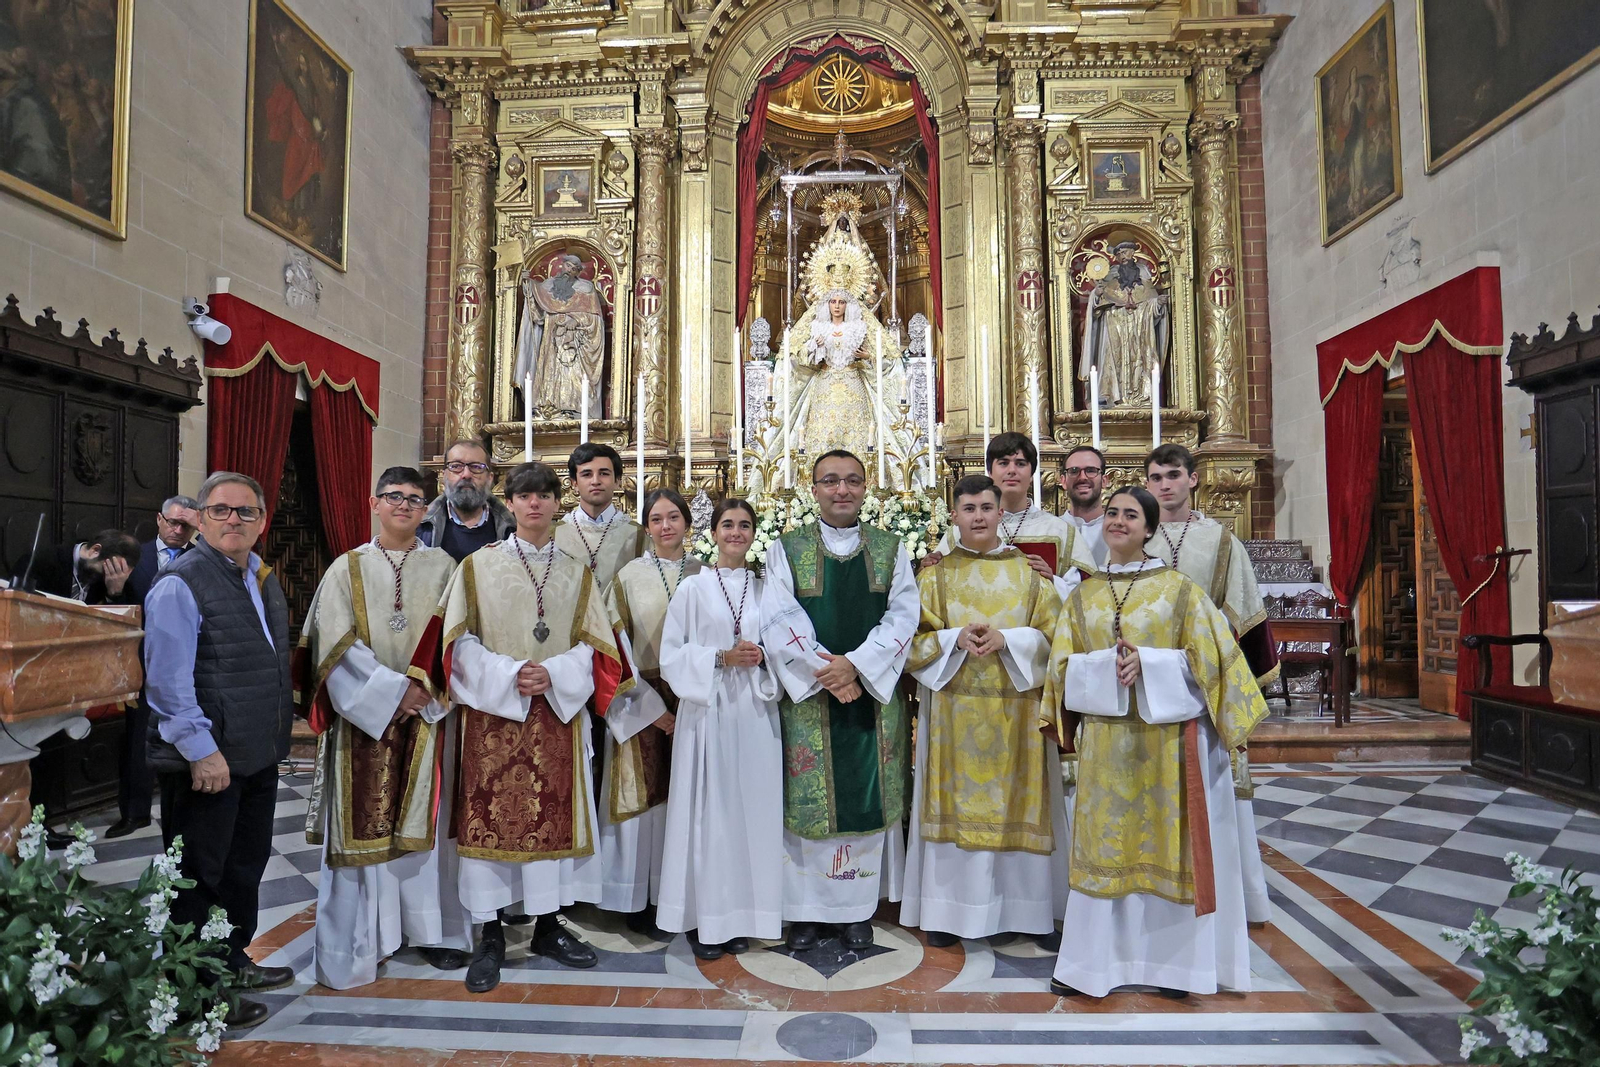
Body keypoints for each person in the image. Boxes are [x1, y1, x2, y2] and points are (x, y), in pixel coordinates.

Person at [1042, 486, 1268, 998]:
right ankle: (1089, 967)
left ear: (1149, 529)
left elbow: (1213, 664)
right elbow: (1060, 672)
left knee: (1171, 852)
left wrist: (1151, 663)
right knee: (1103, 853)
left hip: (1170, 746)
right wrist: (1104, 668)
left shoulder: (1180, 591)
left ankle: (1175, 969)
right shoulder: (1083, 596)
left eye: (1131, 515)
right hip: (1107, 750)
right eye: (1113, 513)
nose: (1118, 521)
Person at [439, 462, 627, 992]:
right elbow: (457, 642)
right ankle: (491, 936)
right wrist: (507, 674)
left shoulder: (576, 571)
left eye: (545, 495)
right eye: (525, 497)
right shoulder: (477, 567)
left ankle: (547, 926)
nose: (536, 505)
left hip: (556, 716)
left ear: (555, 503)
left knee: (552, 819)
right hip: (494, 716)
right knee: (490, 820)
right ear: (511, 504)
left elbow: (598, 646)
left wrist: (557, 673)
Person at [299, 467, 472, 989]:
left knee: (430, 831)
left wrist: (422, 694)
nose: (404, 505)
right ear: (374, 503)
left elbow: (458, 639)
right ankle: (360, 943)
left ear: (427, 509)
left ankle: (432, 933)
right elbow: (334, 643)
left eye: (415, 499)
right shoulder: (345, 569)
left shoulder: (446, 568)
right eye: (394, 496)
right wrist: (393, 693)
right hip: (362, 722)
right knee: (362, 833)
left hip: (427, 720)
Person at [143, 472, 295, 1030]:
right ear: (201, 519)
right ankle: (194, 992)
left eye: (246, 512)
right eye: (222, 510)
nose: (235, 520)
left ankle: (230, 961)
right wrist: (199, 749)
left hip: (253, 752)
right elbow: (166, 680)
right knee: (197, 877)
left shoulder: (257, 574)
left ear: (261, 520)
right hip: (208, 759)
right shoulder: (181, 581)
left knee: (243, 869)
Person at [761, 450, 917, 952]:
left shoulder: (892, 548)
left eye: (852, 481)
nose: (842, 490)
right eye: (831, 481)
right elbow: (778, 617)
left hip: (869, 697)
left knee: (864, 803)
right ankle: (805, 912)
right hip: (811, 698)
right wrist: (828, 673)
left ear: (866, 487)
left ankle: (855, 912)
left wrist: (857, 666)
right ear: (814, 488)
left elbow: (902, 616)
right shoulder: (787, 548)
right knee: (808, 807)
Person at [903, 475, 1066, 948]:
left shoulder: (1029, 575)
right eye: (968, 508)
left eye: (986, 507)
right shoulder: (933, 576)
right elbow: (909, 643)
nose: (978, 516)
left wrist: (1009, 639)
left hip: (1016, 716)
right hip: (952, 713)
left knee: (1019, 806)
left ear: (1001, 513)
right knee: (951, 808)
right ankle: (948, 913)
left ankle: (1022, 912)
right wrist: (953, 639)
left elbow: (1058, 639)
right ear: (953, 516)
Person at [1145, 443, 1278, 925]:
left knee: (1213, 788)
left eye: (1173, 475)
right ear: (1147, 484)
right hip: (1147, 676)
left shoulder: (1222, 541)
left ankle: (1228, 895)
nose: (1165, 485)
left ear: (1193, 479)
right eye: (1156, 477)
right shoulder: (1133, 534)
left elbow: (1244, 613)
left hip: (1204, 682)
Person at [656, 498, 784, 960]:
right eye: (727, 525)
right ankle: (706, 917)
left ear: (754, 534)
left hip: (755, 711)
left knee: (753, 812)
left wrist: (765, 656)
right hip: (707, 711)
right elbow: (671, 657)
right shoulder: (693, 589)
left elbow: (789, 646)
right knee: (709, 816)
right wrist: (719, 658)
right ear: (712, 533)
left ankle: (749, 916)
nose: (736, 532)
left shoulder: (769, 588)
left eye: (744, 525)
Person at [600, 488, 703, 935]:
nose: (666, 526)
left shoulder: (706, 572)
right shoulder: (627, 576)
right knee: (643, 800)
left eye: (674, 517)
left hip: (696, 695)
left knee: (687, 798)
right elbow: (613, 646)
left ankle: (681, 894)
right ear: (647, 526)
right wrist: (653, 708)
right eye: (657, 519)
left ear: (687, 523)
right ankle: (638, 896)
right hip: (642, 694)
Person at [107, 496, 201, 840]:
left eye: (187, 526)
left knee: (190, 733)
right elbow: (110, 614)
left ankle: (189, 808)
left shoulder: (202, 559)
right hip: (141, 661)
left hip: (190, 663)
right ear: (159, 519)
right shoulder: (134, 557)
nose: (178, 530)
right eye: (173, 522)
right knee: (136, 740)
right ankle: (134, 813)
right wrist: (115, 592)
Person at [925, 433, 1097, 596]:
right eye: (1003, 463)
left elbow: (1089, 593)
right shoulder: (961, 530)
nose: (1012, 470)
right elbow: (938, 586)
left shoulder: (1059, 531)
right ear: (990, 472)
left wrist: (1053, 581)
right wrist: (928, 568)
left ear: (1031, 474)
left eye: (1021, 463)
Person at [556, 442, 647, 596]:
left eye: (604, 473)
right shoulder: (555, 534)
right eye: (587, 474)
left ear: (617, 480)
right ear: (574, 484)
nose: (595, 481)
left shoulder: (635, 534)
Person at [417, 438, 515, 561]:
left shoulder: (511, 529)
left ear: (489, 478)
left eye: (476, 467)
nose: (466, 474)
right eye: (456, 466)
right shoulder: (422, 527)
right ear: (444, 475)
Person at [11, 529, 140, 603]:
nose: (113, 576)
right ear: (95, 550)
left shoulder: (116, 579)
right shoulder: (40, 562)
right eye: (110, 570)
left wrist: (115, 593)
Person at [1060, 445, 1109, 569]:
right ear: (1063, 481)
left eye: (1091, 470)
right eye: (1074, 471)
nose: (1082, 477)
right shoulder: (1051, 529)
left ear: (1104, 480)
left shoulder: (1118, 530)